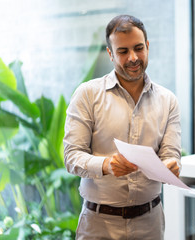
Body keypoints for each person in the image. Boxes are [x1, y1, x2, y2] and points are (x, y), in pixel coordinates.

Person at [63, 14, 181, 240]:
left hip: (150, 222)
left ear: (147, 46)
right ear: (110, 53)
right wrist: (106, 165)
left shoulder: (168, 100)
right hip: (99, 224)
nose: (133, 58)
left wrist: (170, 166)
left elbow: (171, 154)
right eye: (123, 51)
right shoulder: (87, 94)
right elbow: (71, 157)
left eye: (138, 48)